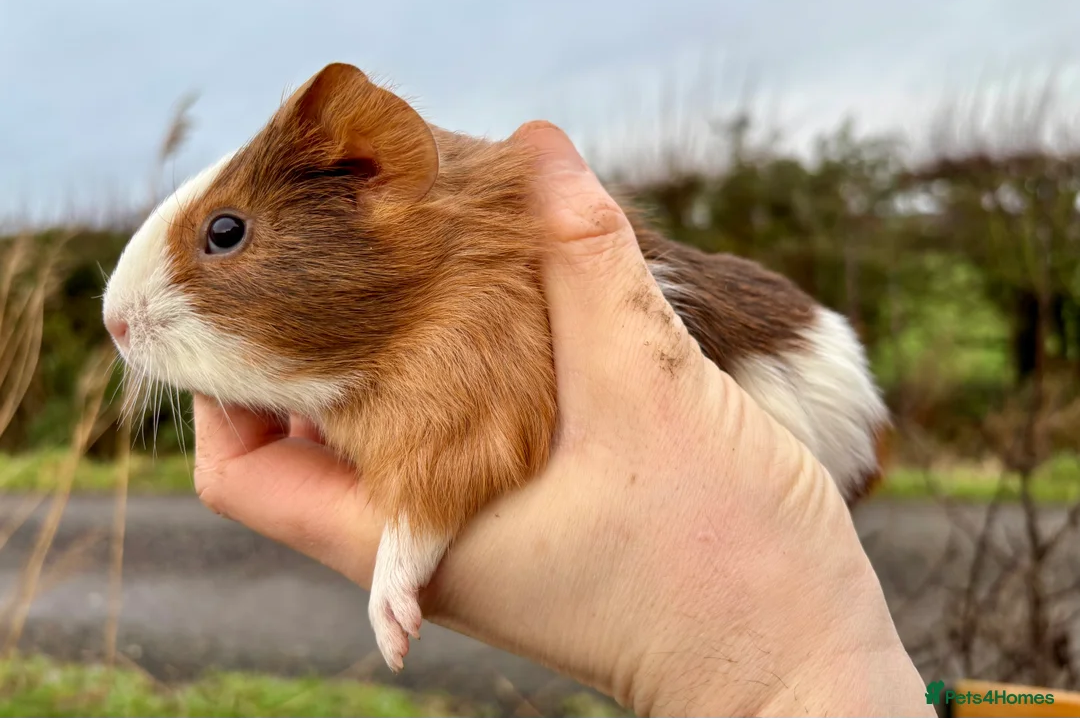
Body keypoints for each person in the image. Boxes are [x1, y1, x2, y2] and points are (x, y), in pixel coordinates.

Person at [192, 121, 932, 717]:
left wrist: (779, 677)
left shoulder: (475, 302)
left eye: (225, 236)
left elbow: (479, 435)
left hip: (814, 406)